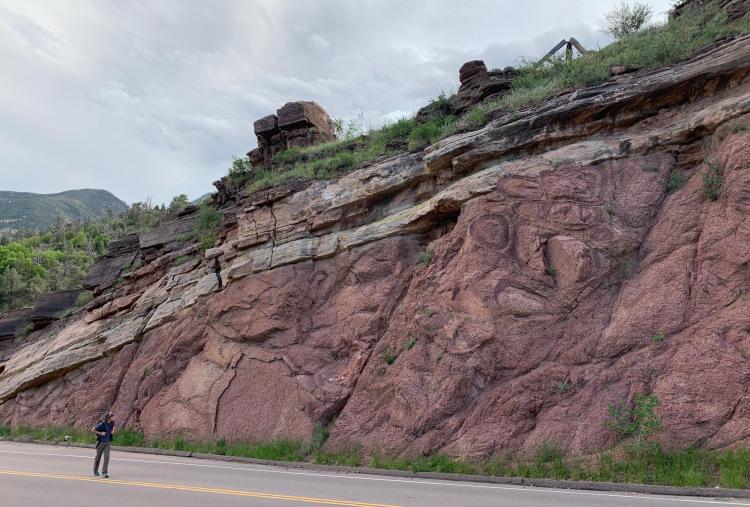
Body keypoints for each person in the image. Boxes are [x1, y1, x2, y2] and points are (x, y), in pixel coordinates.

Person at [92, 411, 115, 478]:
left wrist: (113, 431)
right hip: (101, 442)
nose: (114, 418)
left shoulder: (112, 423)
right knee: (98, 458)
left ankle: (104, 472)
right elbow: (93, 430)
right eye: (112, 416)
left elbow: (113, 427)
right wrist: (100, 433)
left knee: (107, 457)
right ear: (108, 417)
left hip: (108, 442)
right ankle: (95, 470)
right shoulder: (102, 424)